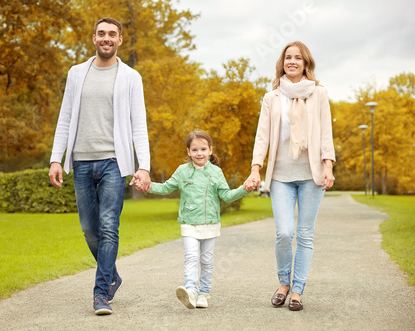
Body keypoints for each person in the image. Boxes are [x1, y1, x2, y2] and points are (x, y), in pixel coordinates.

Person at [48, 17, 151, 315]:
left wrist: (143, 165)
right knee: (88, 229)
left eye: (112, 34)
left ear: (120, 40)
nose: (107, 38)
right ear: (94, 38)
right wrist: (57, 158)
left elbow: (138, 124)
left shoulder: (131, 77)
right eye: (102, 33)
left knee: (109, 227)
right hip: (80, 161)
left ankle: (100, 294)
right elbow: (65, 117)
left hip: (113, 163)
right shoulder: (77, 73)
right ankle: (113, 275)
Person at [243, 41, 335, 311]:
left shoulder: (318, 93)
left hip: (311, 175)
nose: (292, 61)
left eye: (297, 58)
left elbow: (326, 132)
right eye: (287, 58)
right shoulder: (272, 97)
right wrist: (255, 167)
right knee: (284, 232)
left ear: (306, 63)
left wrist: (328, 165)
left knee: (305, 235)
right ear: (282, 63)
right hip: (281, 174)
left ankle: (297, 290)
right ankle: (283, 282)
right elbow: (262, 136)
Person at [137, 130, 255, 309]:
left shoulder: (216, 172)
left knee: (206, 260)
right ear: (188, 152)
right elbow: (166, 187)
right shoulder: (182, 171)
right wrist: (147, 186)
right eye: (194, 150)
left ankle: (204, 293)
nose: (199, 153)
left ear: (209, 150)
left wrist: (244, 189)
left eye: (203, 149)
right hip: (189, 222)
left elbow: (227, 196)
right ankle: (190, 290)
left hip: (210, 223)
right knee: (191, 256)